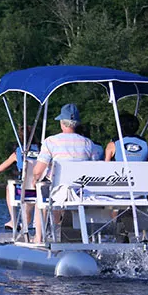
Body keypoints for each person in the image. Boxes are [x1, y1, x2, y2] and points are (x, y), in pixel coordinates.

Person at [32, 103, 96, 242]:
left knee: (41, 196)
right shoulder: (88, 143)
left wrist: (34, 179)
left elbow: (38, 170)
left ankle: (39, 237)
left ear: (62, 123)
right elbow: (94, 167)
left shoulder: (51, 141)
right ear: (77, 123)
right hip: (81, 190)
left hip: (57, 189)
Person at [0, 128, 39, 229]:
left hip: (24, 190)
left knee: (9, 187)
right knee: (28, 209)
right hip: (39, 190)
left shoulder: (18, 152)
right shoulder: (41, 150)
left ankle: (13, 219)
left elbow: (0, 168)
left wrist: (13, 160)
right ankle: (29, 223)